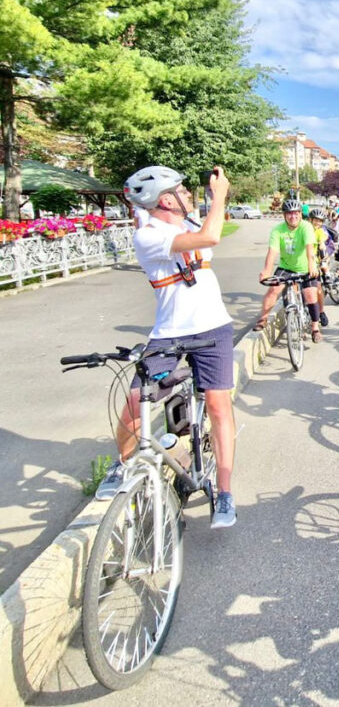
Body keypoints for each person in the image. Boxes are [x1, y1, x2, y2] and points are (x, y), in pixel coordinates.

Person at [105, 165, 238, 527]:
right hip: (170, 332)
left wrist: (214, 196)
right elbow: (212, 237)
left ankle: (224, 492)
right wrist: (220, 195)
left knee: (218, 405)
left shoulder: (187, 222)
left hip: (214, 327)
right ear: (165, 200)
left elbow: (209, 226)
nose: (188, 193)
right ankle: (121, 463)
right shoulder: (148, 235)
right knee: (136, 400)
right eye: (181, 190)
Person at [255, 198, 324, 343]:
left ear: (300, 214)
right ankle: (263, 319)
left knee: (311, 295)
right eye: (289, 213)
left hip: (306, 267)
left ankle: (315, 328)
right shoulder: (277, 230)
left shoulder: (306, 226)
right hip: (286, 267)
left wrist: (312, 265)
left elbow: (310, 248)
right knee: (273, 290)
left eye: (296, 213)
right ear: (284, 215)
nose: (293, 216)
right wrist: (266, 271)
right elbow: (272, 252)